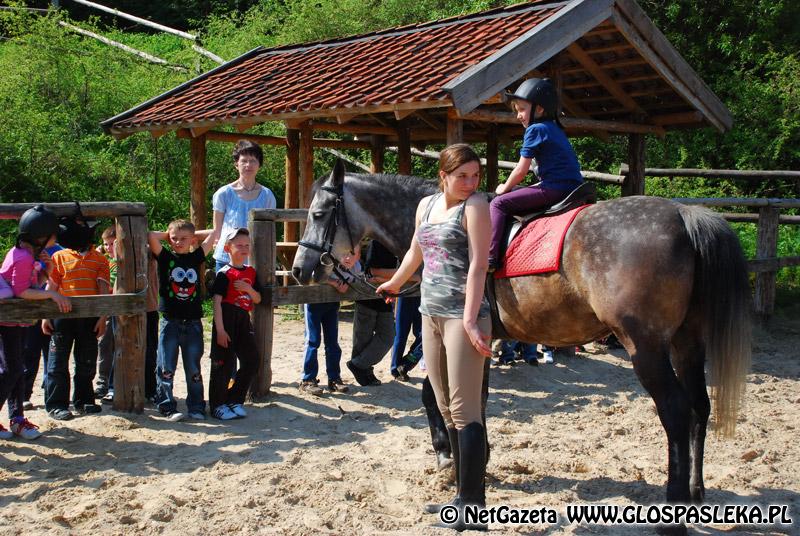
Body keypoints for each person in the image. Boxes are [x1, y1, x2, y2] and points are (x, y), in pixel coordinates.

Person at [377, 143, 492, 531]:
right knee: (444, 409)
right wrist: (393, 283)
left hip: (463, 317)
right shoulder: (425, 205)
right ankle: (462, 495)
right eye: (462, 176)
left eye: (475, 175)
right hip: (430, 313)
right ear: (442, 175)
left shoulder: (475, 206)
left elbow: (479, 264)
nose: (470, 182)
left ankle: (473, 508)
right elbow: (415, 252)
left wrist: (472, 319)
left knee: (464, 410)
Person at [488, 78, 583, 271]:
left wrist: (503, 188)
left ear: (539, 109)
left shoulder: (535, 130)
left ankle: (490, 258)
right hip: (574, 188)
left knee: (498, 203)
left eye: (522, 109)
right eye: (516, 110)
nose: (518, 116)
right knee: (516, 192)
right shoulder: (554, 128)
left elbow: (521, 170)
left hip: (555, 188)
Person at [1, 205, 70, 438]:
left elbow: (33, 285)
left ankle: (17, 419)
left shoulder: (28, 255)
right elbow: (22, 291)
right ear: (42, 237)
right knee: (11, 370)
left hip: (19, 322)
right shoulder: (21, 257)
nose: (56, 238)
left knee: (17, 370)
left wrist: (46, 270)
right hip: (8, 323)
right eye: (53, 234)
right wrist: (53, 294)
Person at [43, 212, 110, 420]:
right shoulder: (59, 257)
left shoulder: (100, 260)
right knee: (57, 363)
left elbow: (103, 290)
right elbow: (52, 286)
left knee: (86, 361)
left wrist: (102, 318)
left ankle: (84, 400)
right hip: (62, 318)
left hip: (88, 319)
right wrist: (46, 315)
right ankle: (56, 404)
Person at [149, 220, 215, 422]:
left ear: (192, 240)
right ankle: (167, 406)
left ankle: (196, 406)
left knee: (193, 367)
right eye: (174, 239)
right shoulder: (165, 257)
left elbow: (213, 233)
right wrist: (168, 234)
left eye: (183, 239)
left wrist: (193, 235)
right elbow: (150, 236)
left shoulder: (196, 257)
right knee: (166, 366)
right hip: (170, 321)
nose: (178, 242)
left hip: (193, 322)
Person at [209, 228, 261, 420]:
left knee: (252, 359)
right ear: (228, 248)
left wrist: (248, 289)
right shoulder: (224, 273)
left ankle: (234, 399)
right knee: (223, 362)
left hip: (243, 319)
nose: (244, 248)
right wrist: (220, 329)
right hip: (226, 318)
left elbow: (257, 299)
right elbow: (216, 302)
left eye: (247, 245)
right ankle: (217, 405)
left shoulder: (251, 272)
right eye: (239, 245)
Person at [298, 250, 358, 397]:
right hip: (314, 302)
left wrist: (346, 283)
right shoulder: (321, 255)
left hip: (332, 303)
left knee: (332, 342)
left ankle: (334, 378)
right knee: (312, 341)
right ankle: (308, 379)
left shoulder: (351, 263)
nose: (349, 257)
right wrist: (335, 283)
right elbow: (311, 276)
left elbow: (355, 277)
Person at [212, 140, 276, 272]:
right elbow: (217, 229)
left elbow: (270, 229)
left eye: (253, 160)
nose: (248, 165)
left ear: (259, 165)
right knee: (224, 292)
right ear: (236, 164)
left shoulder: (267, 195)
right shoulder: (223, 193)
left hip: (257, 258)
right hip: (227, 257)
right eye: (244, 160)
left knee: (253, 293)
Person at [346, 240, 397, 387]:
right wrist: (396, 276)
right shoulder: (377, 243)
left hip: (384, 296)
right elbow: (372, 271)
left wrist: (389, 278)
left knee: (388, 336)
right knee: (363, 338)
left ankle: (358, 365)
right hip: (368, 295)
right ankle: (364, 370)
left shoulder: (397, 244)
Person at [95, 226, 117, 399]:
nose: (109, 248)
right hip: (106, 310)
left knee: (117, 347)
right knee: (104, 346)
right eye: (106, 244)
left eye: (113, 244)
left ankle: (112, 383)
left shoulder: (124, 262)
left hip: (117, 309)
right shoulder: (105, 262)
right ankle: (102, 382)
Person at [390, 296, 423, 381]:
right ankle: (396, 370)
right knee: (400, 336)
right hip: (404, 294)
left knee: (425, 337)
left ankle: (406, 364)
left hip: (424, 295)